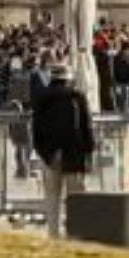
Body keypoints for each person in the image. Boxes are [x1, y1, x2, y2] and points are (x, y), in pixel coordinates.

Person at [30, 64, 93, 239]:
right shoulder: (77, 97)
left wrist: (45, 153)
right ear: (68, 78)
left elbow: (36, 131)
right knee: (75, 198)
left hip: (50, 155)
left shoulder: (42, 98)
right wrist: (89, 152)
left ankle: (53, 234)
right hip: (74, 154)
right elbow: (86, 128)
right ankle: (75, 233)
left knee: (52, 198)